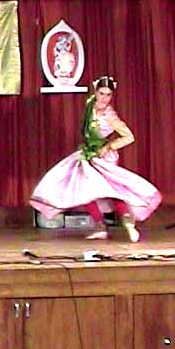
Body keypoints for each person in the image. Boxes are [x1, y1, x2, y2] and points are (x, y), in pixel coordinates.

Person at [30, 76, 161, 242]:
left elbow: (129, 137)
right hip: (88, 154)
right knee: (85, 190)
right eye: (101, 93)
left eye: (108, 95)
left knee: (111, 191)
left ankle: (128, 223)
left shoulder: (110, 116)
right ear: (95, 92)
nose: (104, 98)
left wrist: (108, 147)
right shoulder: (90, 105)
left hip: (103, 158)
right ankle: (100, 226)